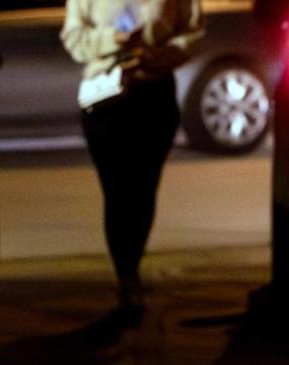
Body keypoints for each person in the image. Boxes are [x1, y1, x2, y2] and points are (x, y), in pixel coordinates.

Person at [61, 0, 203, 323]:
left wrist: (154, 56)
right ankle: (126, 275)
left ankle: (131, 268)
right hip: (105, 98)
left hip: (153, 96)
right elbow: (73, 36)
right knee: (116, 191)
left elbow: (192, 32)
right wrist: (111, 39)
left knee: (143, 189)